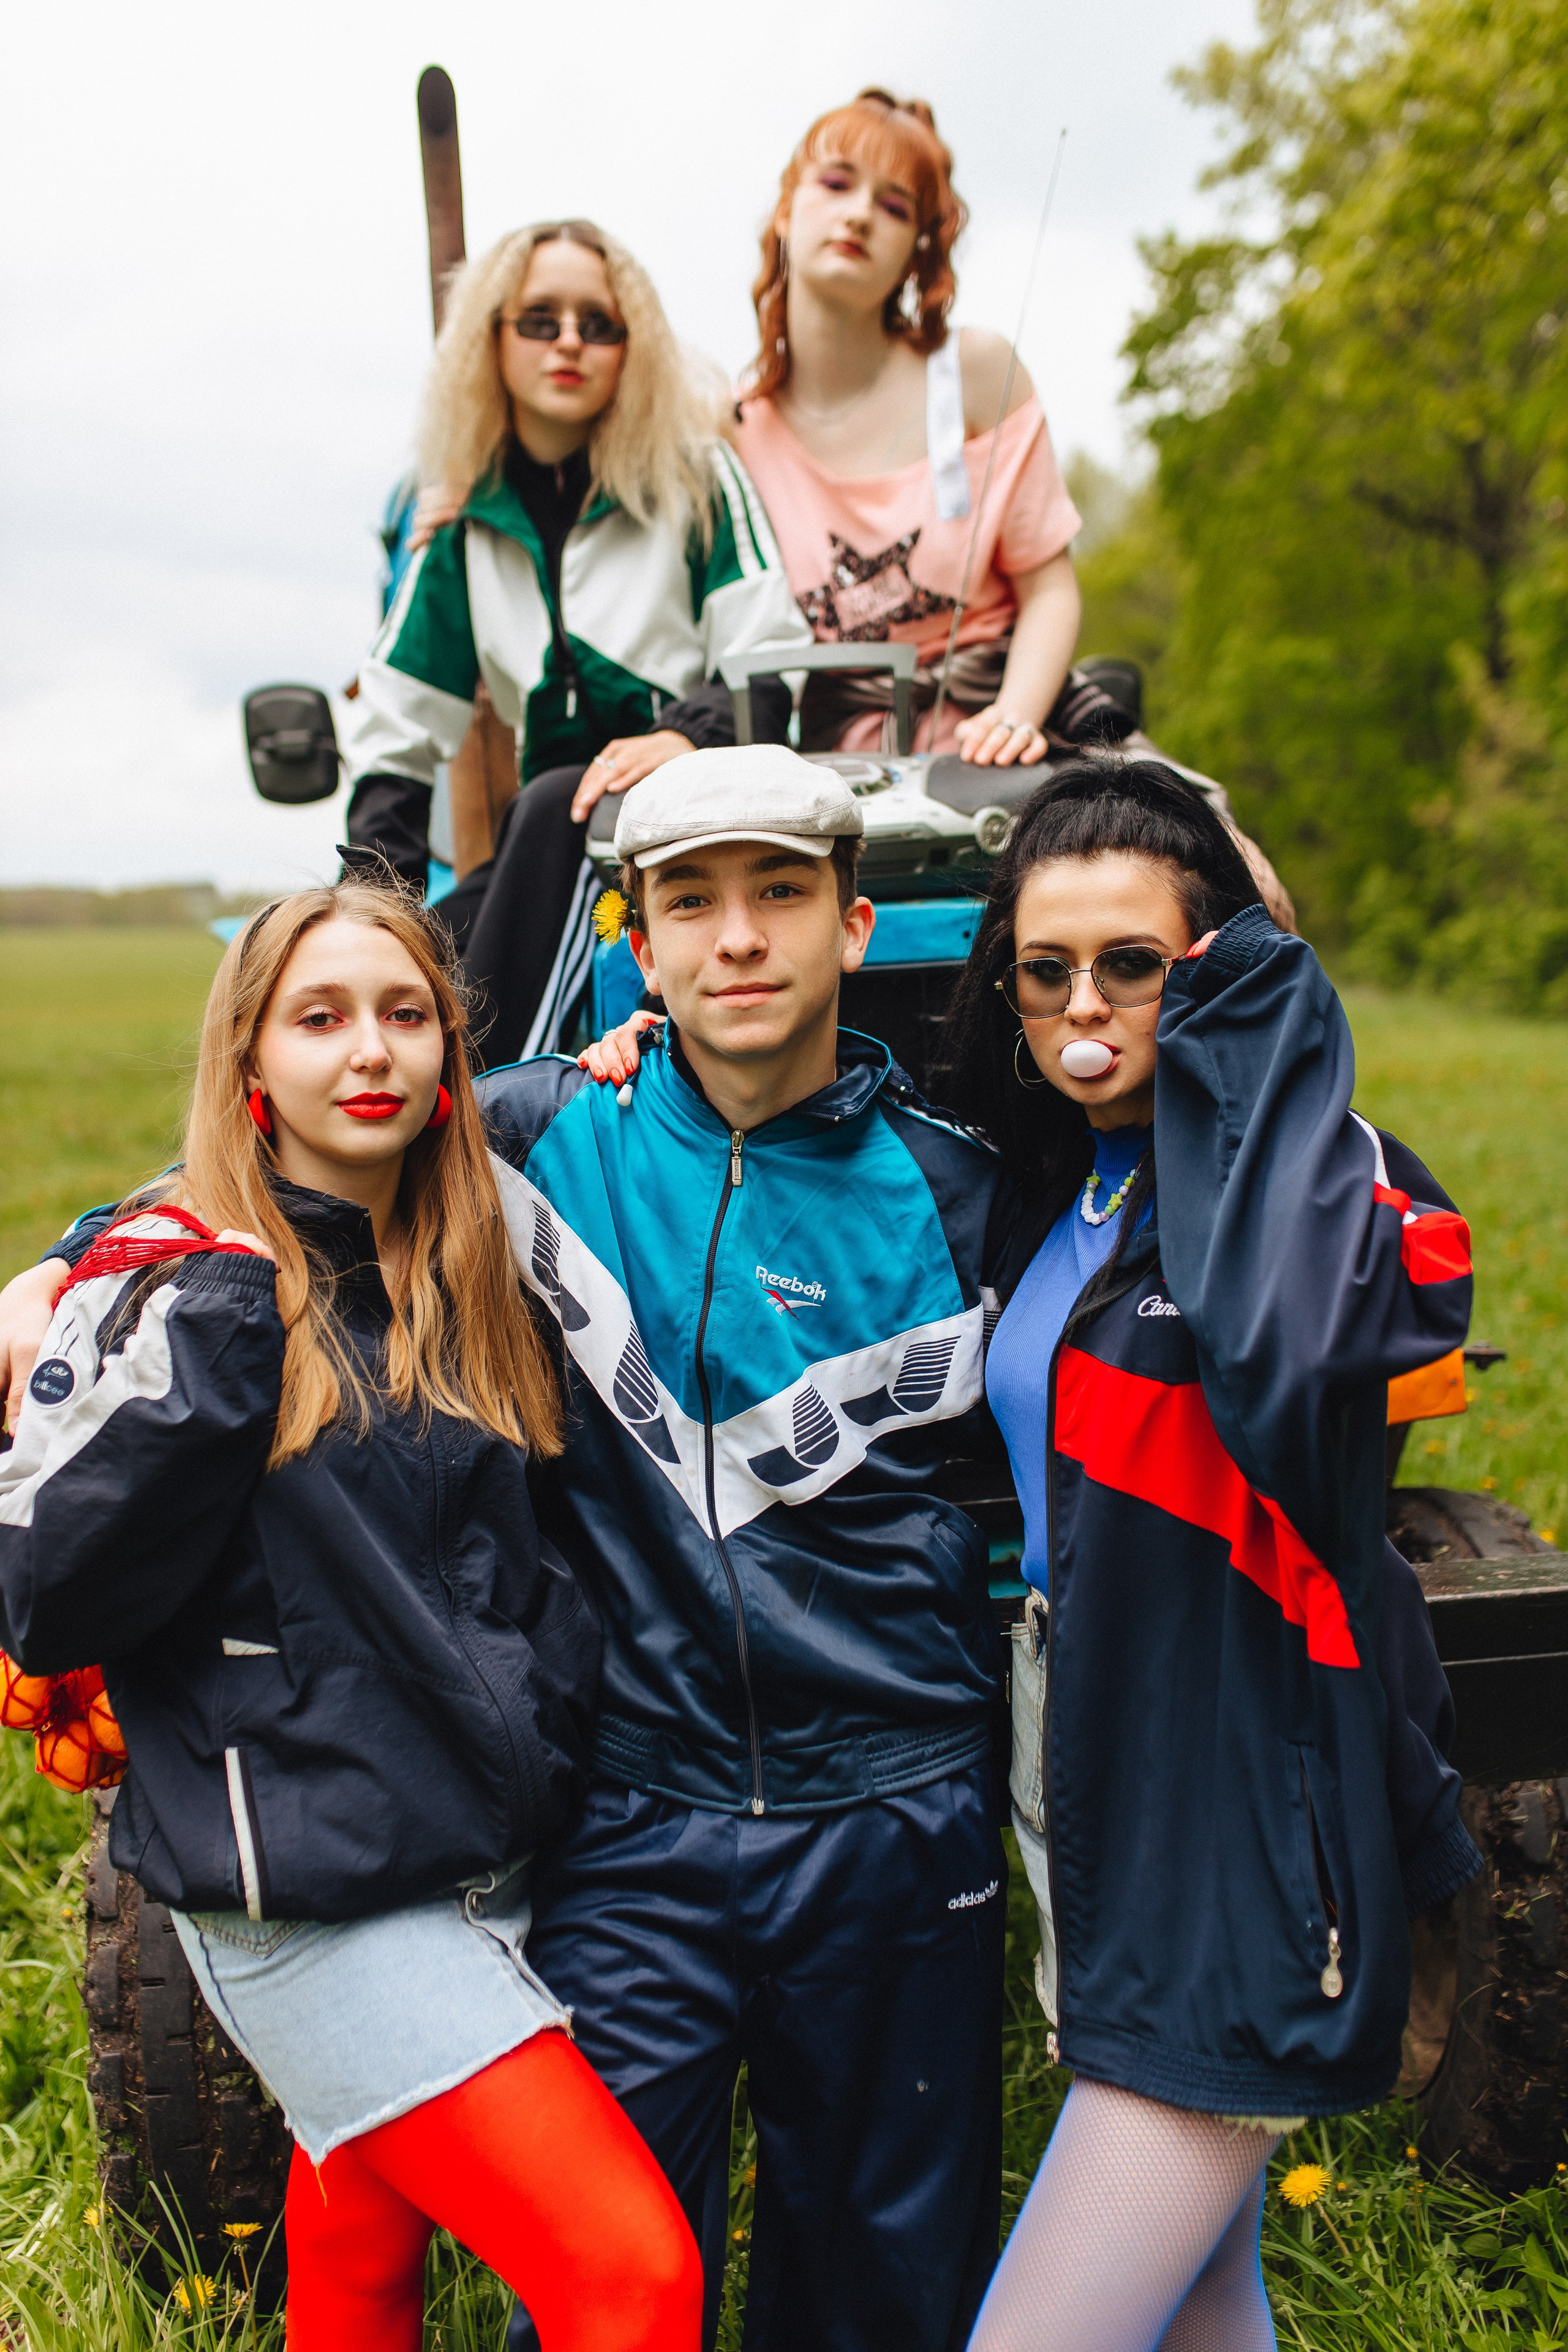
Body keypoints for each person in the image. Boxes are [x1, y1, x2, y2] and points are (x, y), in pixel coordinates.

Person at [0, 884, 701, 2352]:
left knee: (361, 2244)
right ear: (248, 1059)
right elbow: (45, 1593)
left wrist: (618, 1053)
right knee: (629, 2278)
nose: (366, 1051)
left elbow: (524, 1101)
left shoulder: (465, 1259)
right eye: (317, 1019)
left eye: (402, 1013)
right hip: (315, 1889)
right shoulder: (208, 1294)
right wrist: (105, 1288)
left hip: (465, 1851)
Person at [929, 760, 1480, 2350]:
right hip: (1101, 1799)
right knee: (1203, 2311)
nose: (1087, 1006)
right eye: (1049, 971)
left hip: (1249, 1845)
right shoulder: (1062, 1190)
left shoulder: (1333, 1185)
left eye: (1139, 964)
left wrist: (1257, 1013)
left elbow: (1286, 1354)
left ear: (1221, 968)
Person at [470, 743, 1012, 2351]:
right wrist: (69, 1269)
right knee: (597, 2287)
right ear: (638, 946)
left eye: (781, 894)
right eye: (692, 904)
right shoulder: (541, 1133)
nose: (740, 940)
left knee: (882, 2295)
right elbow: (277, 1162)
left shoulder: (966, 1184)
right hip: (635, 1822)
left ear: (855, 925)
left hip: (899, 1812)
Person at [344, 217, 810, 1063]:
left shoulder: (696, 478)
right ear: (494, 338)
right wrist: (372, 922)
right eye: (540, 320)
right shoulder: (467, 519)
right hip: (550, 848)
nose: (570, 343)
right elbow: (395, 727)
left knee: (563, 804)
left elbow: (773, 668)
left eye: (598, 325)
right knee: (413, 965)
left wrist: (681, 738)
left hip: (701, 828)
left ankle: (476, 1118)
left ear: (633, 348)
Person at [731, 89, 1089, 769]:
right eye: (837, 183)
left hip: (1004, 738)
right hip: (825, 766)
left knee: (1202, 855)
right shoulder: (732, 427)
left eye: (894, 206)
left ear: (917, 250)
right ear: (785, 209)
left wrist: (1014, 717)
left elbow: (1048, 586)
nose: (860, 214)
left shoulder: (977, 372)